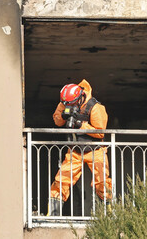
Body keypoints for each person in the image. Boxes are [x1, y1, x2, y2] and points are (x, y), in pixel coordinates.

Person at [48, 79, 112, 216]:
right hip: (75, 150)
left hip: (95, 149)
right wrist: (63, 116)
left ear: (79, 98)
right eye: (66, 104)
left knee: (102, 181)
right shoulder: (65, 101)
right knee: (61, 180)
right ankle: (52, 215)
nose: (68, 106)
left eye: (71, 104)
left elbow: (100, 131)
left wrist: (80, 125)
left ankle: (109, 213)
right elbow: (57, 120)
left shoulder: (95, 107)